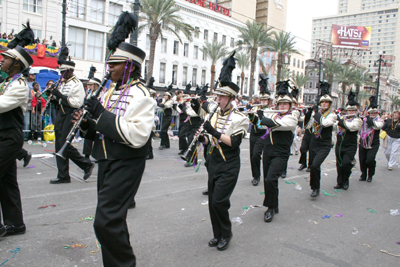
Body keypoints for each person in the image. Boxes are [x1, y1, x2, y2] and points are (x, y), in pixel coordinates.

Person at [74, 41, 155, 267]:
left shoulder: (143, 95)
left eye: (114, 64)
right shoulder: (110, 91)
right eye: (109, 64)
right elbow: (102, 130)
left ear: (129, 66)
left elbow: (138, 135)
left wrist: (101, 114)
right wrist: (86, 124)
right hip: (106, 160)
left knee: (105, 223)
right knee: (114, 221)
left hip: (126, 162)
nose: (109, 68)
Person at [198, 53, 249, 251]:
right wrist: (203, 138)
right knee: (212, 202)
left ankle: (226, 234)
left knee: (220, 201)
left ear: (230, 98)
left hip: (229, 163)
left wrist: (213, 132)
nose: (217, 99)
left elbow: (234, 143)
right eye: (217, 96)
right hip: (214, 161)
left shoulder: (240, 118)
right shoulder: (214, 113)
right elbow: (210, 139)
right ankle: (217, 234)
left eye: (221, 96)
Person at [0, 29, 35, 237]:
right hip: (2, 134)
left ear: (16, 64)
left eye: (5, 59)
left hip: (9, 136)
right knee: (6, 181)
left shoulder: (20, 86)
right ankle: (15, 224)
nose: (1, 61)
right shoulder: (7, 82)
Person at [49, 47, 94, 184]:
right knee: (59, 145)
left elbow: (77, 103)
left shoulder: (77, 84)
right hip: (61, 114)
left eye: (64, 72)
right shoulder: (63, 83)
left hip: (70, 115)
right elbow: (61, 100)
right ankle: (63, 175)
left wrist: (60, 96)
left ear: (70, 71)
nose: (61, 75)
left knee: (65, 144)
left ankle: (86, 164)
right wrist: (53, 98)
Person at [257, 81, 298, 222]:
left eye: (285, 104)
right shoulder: (273, 114)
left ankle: (270, 207)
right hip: (268, 150)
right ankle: (274, 204)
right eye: (280, 104)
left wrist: (263, 118)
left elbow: (277, 125)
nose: (282, 106)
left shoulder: (292, 117)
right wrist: (258, 113)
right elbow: (263, 119)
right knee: (268, 181)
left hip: (281, 153)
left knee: (271, 178)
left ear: (290, 106)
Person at [306, 81, 337, 197]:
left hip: (324, 143)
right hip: (314, 141)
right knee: (313, 166)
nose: (323, 104)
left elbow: (324, 123)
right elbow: (308, 126)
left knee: (315, 165)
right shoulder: (317, 113)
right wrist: (309, 113)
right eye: (322, 102)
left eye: (326, 102)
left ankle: (316, 187)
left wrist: (316, 114)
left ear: (329, 104)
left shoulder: (332, 115)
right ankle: (315, 187)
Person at [334, 91, 362, 190]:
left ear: (356, 111)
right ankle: (340, 182)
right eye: (349, 110)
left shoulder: (358, 120)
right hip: (340, 144)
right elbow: (334, 127)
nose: (350, 112)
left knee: (346, 163)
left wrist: (339, 121)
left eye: (352, 110)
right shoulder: (342, 119)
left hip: (350, 145)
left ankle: (346, 180)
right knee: (339, 164)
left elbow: (351, 127)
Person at [246, 76, 270, 186]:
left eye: (265, 100)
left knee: (256, 154)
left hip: (263, 134)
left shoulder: (270, 110)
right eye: (262, 99)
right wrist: (250, 113)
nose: (263, 101)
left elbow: (264, 124)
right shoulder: (256, 108)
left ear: (268, 101)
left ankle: (259, 175)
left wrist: (261, 117)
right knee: (252, 155)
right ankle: (255, 175)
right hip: (254, 133)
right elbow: (253, 122)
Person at [359, 96, 384, 182]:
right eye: (371, 113)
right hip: (363, 141)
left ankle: (370, 174)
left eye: (374, 113)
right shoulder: (363, 120)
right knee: (362, 159)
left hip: (373, 143)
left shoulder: (380, 120)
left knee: (369, 159)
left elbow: (375, 125)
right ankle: (364, 174)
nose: (373, 114)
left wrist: (368, 118)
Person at [82, 77, 101, 158]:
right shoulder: (89, 93)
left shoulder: (101, 94)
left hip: (96, 117)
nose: (89, 86)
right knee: (88, 136)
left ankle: (98, 155)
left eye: (91, 85)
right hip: (89, 115)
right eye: (88, 85)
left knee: (98, 137)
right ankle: (87, 155)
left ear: (96, 85)